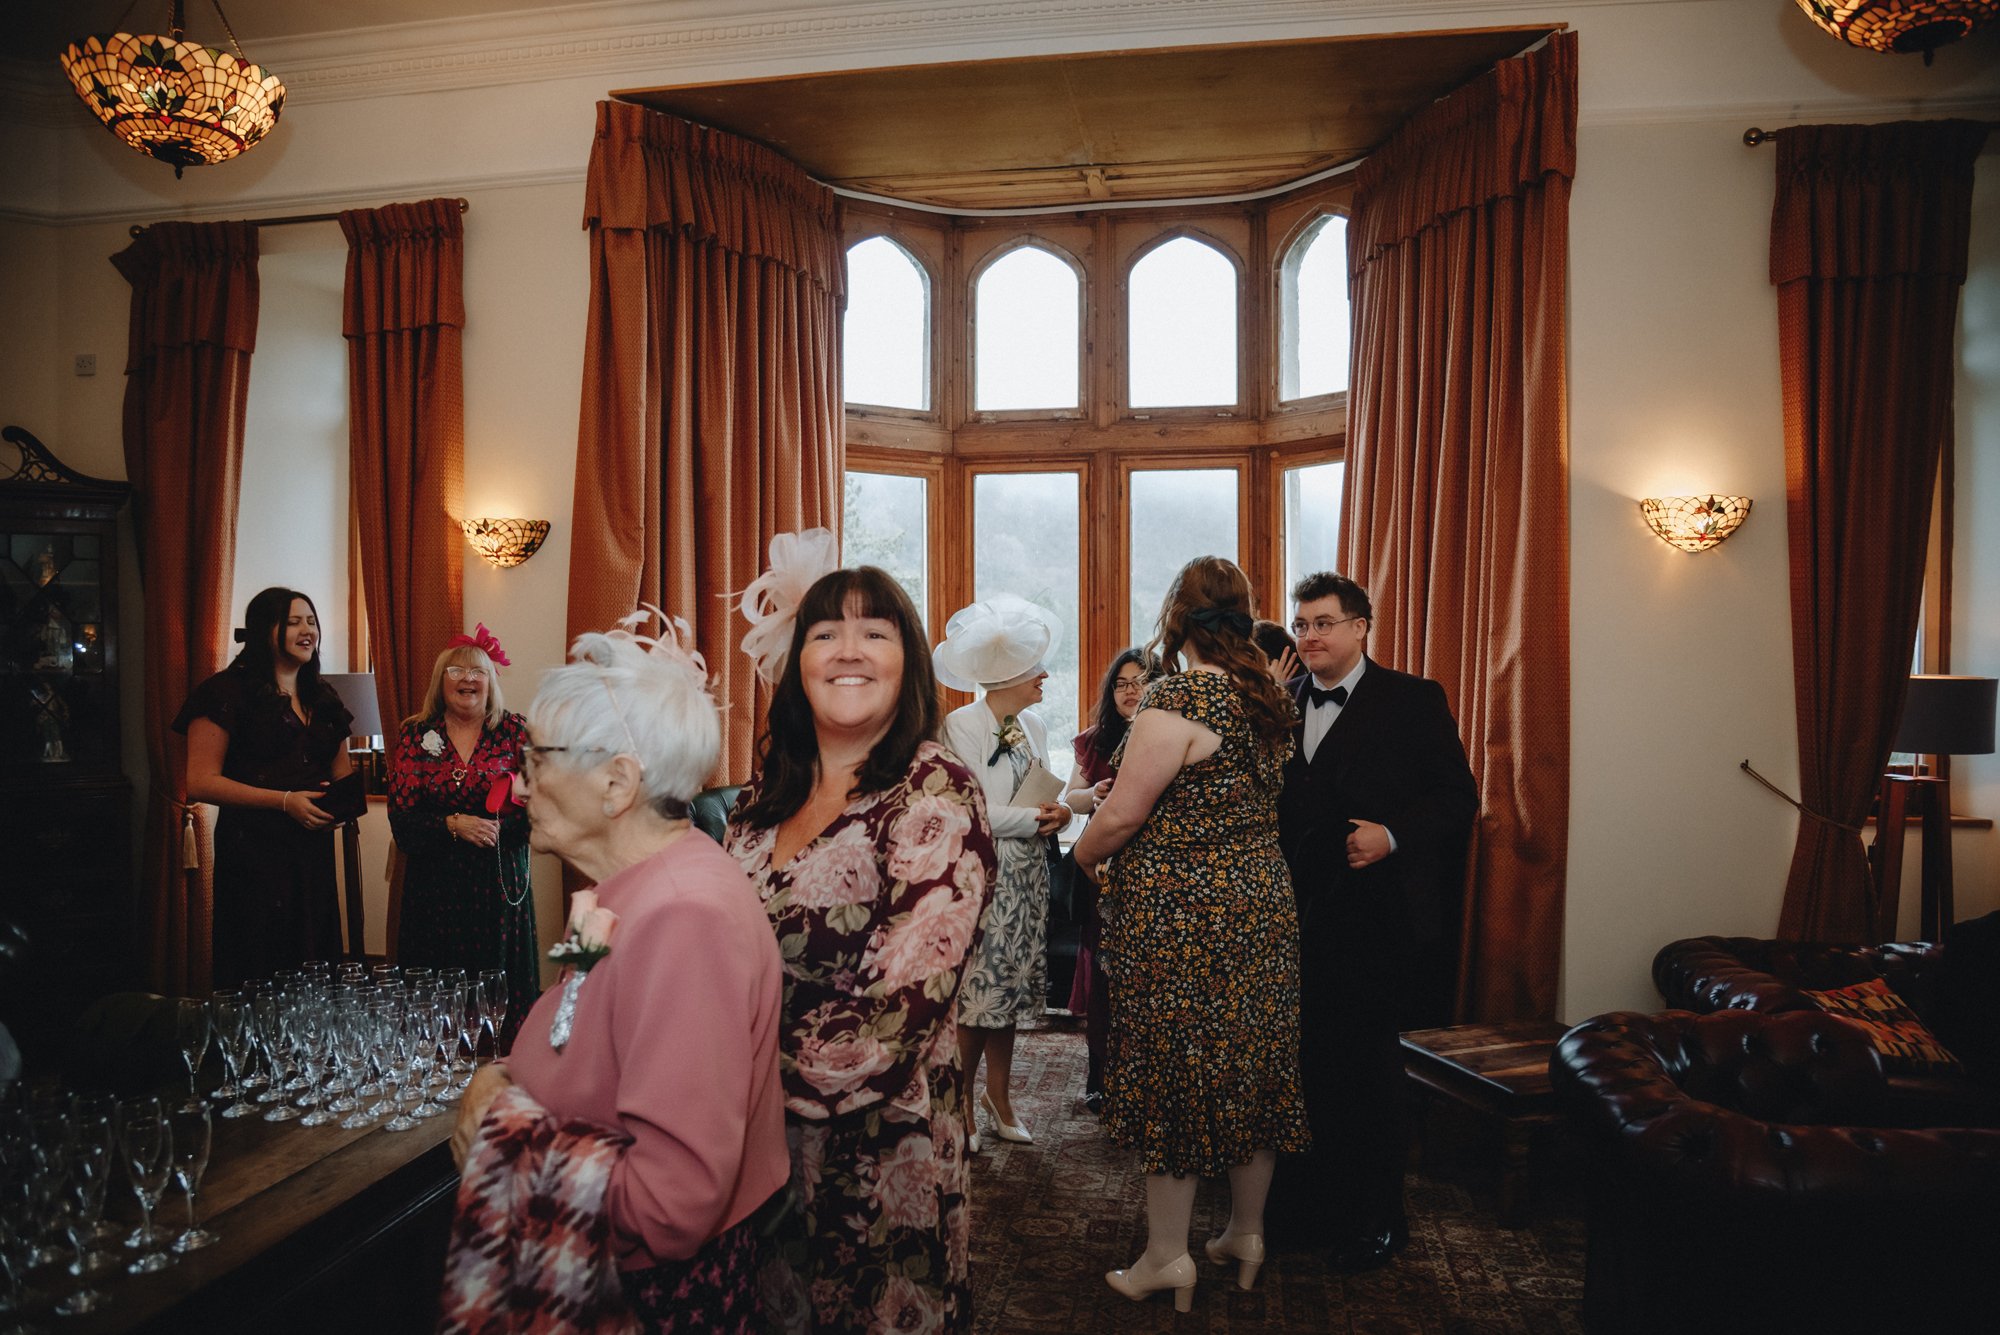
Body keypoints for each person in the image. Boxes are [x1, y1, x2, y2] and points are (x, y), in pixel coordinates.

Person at [449, 610, 788, 1331]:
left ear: (617, 782)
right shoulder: (608, 889)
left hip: (644, 1296)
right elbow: (559, 1027)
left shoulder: (683, 916)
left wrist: (511, 1138)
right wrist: (504, 1075)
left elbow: (673, 1203)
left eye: (537, 760)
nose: (516, 785)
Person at [723, 546, 997, 1335]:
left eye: (873, 633)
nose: (847, 651)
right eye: (824, 635)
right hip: (750, 1153)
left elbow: (899, 1013)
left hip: (876, 1154)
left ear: (907, 660)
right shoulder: (760, 796)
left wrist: (720, 1081)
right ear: (796, 663)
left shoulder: (935, 789)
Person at [1071, 556, 1309, 1310]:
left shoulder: (1178, 695)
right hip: (1262, 906)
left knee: (1172, 1072)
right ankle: (1245, 1231)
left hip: (1182, 917)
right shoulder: (1267, 693)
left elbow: (1123, 813)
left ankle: (1167, 1256)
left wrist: (1080, 853)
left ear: (1178, 616)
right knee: (1253, 1066)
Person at [1269, 571, 1477, 1272]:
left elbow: (1458, 798)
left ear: (1362, 627)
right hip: (1295, 919)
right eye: (1302, 625)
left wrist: (1390, 833)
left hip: (1377, 919)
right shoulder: (1282, 701)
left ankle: (1378, 1217)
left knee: (1367, 1074)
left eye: (1324, 622)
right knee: (1301, 1067)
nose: (1311, 636)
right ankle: (1303, 1210)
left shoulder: (1413, 699)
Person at [935, 595, 1068, 1150]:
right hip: (985, 877)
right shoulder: (961, 724)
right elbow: (978, 810)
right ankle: (961, 1102)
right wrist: (1039, 818)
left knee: (1008, 993)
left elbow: (1042, 786)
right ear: (1009, 673)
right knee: (978, 995)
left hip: (1029, 876)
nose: (1043, 676)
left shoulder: (1033, 724)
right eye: (1034, 668)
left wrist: (1072, 806)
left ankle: (1000, 1097)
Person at [176, 587, 355, 986]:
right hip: (253, 852)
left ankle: (313, 1046)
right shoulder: (223, 693)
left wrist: (338, 812)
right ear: (263, 631)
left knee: (315, 958)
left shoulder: (323, 696)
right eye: (294, 622)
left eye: (311, 621)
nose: (307, 630)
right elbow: (200, 781)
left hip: (312, 852)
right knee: (260, 959)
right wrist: (285, 801)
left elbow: (341, 773)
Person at [387, 624, 537, 1041]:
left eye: (478, 672)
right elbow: (402, 820)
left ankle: (504, 1059)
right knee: (438, 997)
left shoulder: (517, 731)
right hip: (434, 886)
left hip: (500, 883)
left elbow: (541, 809)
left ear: (491, 682)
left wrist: (493, 829)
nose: (468, 679)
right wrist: (454, 825)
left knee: (499, 993)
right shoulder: (415, 733)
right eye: (456, 671)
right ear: (441, 682)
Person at [1061, 648, 1155, 1111]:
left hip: (1156, 876)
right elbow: (1069, 799)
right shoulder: (1095, 740)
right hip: (1100, 872)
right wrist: (1091, 793)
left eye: (1141, 681)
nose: (1132, 690)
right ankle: (1100, 1075)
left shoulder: (1165, 735)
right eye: (1122, 683)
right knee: (1104, 978)